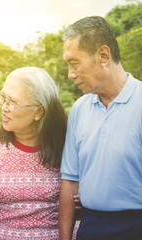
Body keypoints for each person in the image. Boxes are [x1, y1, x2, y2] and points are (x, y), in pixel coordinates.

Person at [0, 67, 71, 239]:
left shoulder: (67, 144)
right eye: (3, 98)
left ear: (39, 112)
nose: (4, 107)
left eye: (12, 102)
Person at [59, 16, 142, 240]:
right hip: (90, 227)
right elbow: (69, 181)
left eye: (74, 63)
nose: (70, 74)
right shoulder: (79, 109)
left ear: (103, 56)